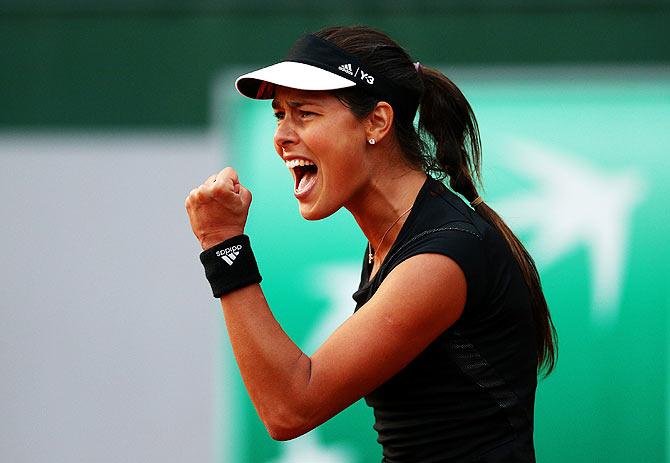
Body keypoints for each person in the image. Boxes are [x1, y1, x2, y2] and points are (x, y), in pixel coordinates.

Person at [185, 25, 557, 462]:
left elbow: (289, 407)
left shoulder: (441, 257)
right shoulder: (396, 240)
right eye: (279, 114)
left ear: (377, 122)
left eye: (304, 113)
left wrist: (222, 243)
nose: (283, 136)